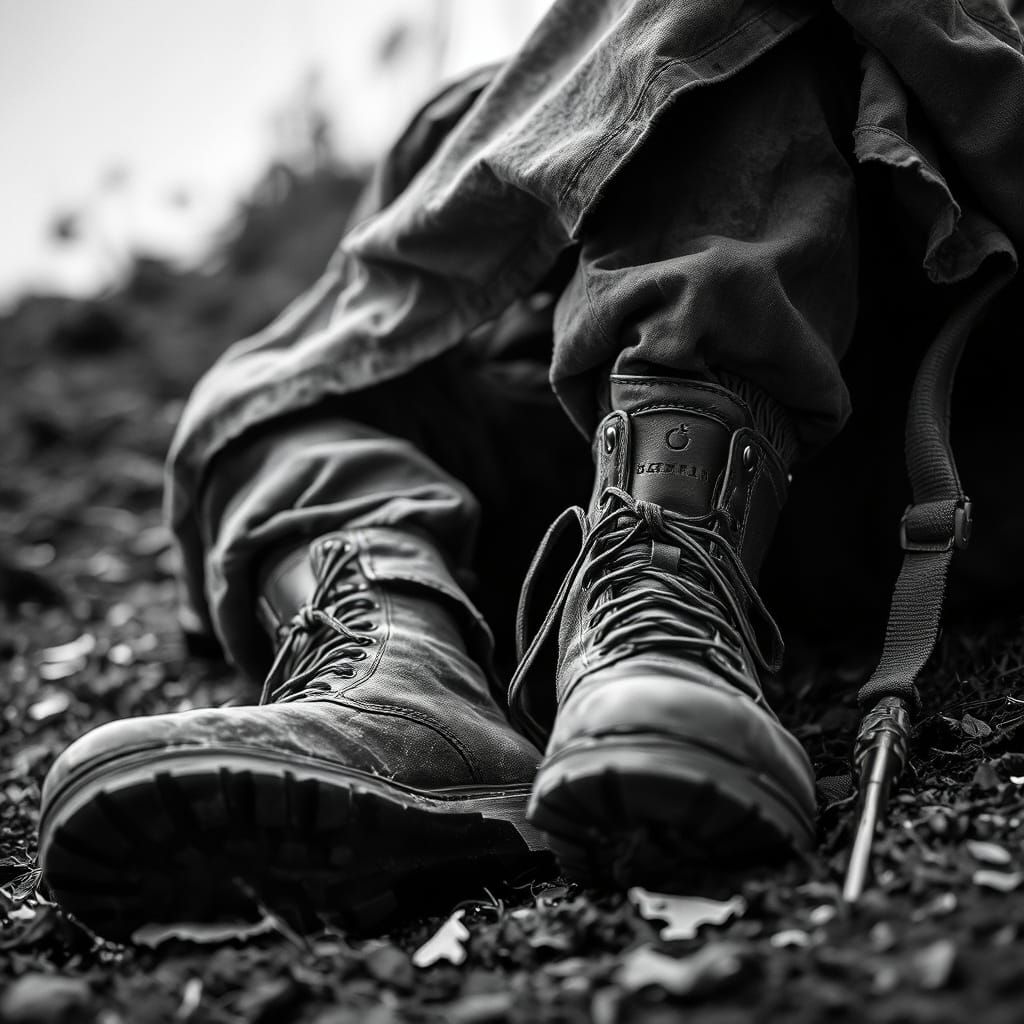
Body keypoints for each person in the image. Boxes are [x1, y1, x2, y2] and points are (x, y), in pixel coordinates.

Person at [36, 0, 1023, 941]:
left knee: (732, 40)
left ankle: (663, 600)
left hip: (915, 438)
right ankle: (404, 678)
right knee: (280, 389)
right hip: (581, 449)